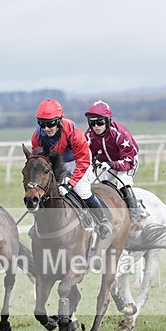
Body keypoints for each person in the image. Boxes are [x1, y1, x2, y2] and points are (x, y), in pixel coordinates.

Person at [31, 98, 112, 238]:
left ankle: (103, 221)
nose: (46, 129)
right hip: (55, 164)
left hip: (77, 161)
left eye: (50, 124)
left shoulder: (72, 131)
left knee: (82, 190)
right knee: (43, 193)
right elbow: (38, 161)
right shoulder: (38, 135)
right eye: (42, 124)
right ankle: (38, 224)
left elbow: (83, 160)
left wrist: (70, 184)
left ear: (59, 120)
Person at [84, 100, 143, 221]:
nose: (96, 127)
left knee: (123, 184)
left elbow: (128, 161)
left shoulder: (121, 134)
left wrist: (112, 164)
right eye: (92, 123)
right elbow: (86, 156)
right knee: (94, 186)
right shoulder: (89, 135)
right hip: (105, 164)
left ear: (107, 121)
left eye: (99, 122)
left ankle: (134, 216)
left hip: (127, 160)